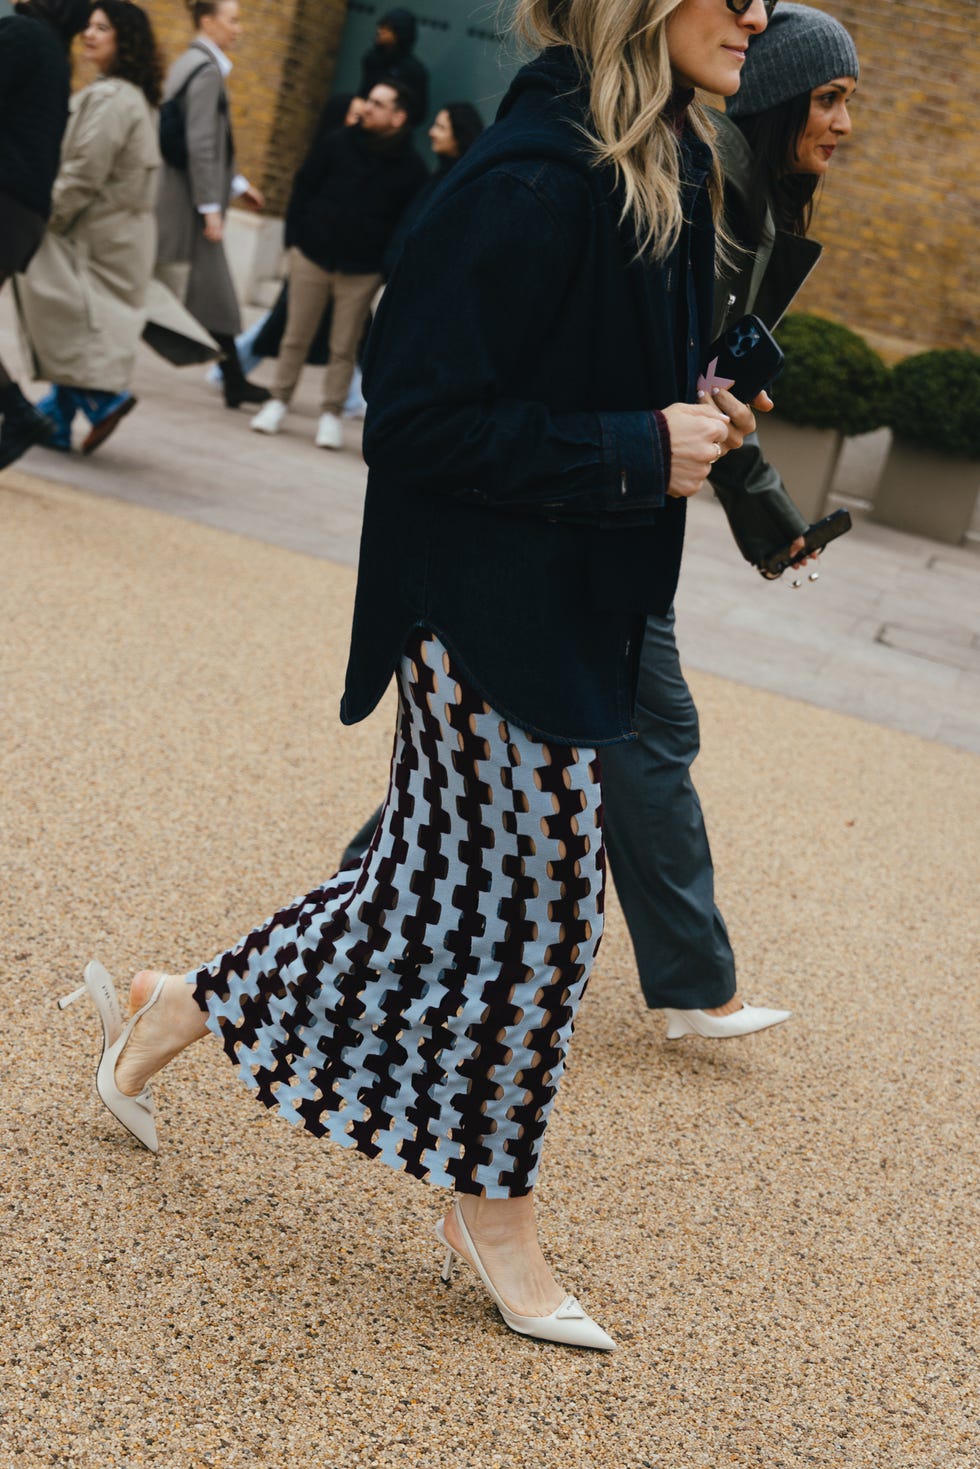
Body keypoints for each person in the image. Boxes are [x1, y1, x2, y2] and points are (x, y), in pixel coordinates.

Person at [62, 0, 773, 1351]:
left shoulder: (668, 169)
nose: (756, 9)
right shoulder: (523, 177)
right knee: (552, 920)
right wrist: (634, 447)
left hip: (575, 603)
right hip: (480, 609)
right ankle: (489, 1209)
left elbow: (592, 374)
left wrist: (706, 401)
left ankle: (180, 1003)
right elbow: (423, 417)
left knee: (424, 891)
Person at [599, 0, 859, 1039]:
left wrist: (764, 519)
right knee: (643, 729)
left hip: (610, 510)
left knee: (499, 744)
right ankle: (693, 983)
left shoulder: (749, 207)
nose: (842, 123)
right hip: (595, 511)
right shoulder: (711, 204)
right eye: (830, 99)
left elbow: (702, 384)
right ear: (776, 99)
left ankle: (689, 981)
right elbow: (670, 381)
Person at [14, 2, 164, 453]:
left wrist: (46, 213)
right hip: (108, 235)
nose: (89, 34)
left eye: (104, 28)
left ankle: (101, 399)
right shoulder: (126, 96)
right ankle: (55, 420)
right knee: (76, 324)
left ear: (126, 41)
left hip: (89, 237)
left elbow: (83, 172)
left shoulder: (112, 99)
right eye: (90, 25)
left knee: (68, 320)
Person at [249, 80, 427, 450]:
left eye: (378, 104)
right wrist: (293, 241)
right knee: (295, 336)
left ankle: (330, 413)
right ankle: (277, 400)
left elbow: (405, 222)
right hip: (312, 255)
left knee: (343, 345)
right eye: (368, 101)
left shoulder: (411, 168)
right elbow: (303, 187)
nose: (366, 108)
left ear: (398, 116)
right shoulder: (337, 143)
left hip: (361, 270)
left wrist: (383, 268)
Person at [155, 0, 269, 410]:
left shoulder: (191, 63)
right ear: (208, 21)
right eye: (232, 20)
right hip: (189, 206)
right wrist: (211, 208)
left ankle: (234, 379)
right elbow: (202, 143)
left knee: (211, 296)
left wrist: (237, 184)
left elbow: (207, 142)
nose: (238, 29)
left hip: (183, 199)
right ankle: (234, 380)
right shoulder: (205, 71)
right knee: (196, 295)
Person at [0, 0, 89, 470]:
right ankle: (18, 413)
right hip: (22, 214)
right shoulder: (51, 49)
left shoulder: (21, 36)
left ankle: (18, 414)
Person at [359, 7, 428, 127]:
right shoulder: (372, 58)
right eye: (381, 26)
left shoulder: (414, 70)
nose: (380, 31)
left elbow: (418, 112)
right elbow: (363, 91)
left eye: (387, 28)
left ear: (400, 33)